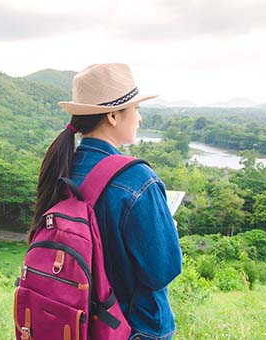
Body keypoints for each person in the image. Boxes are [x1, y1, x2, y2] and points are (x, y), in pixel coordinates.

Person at [28, 63, 183, 340]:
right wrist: (167, 228)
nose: (140, 118)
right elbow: (163, 270)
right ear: (112, 115)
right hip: (134, 328)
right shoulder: (137, 179)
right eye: (136, 109)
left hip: (77, 324)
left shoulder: (63, 167)